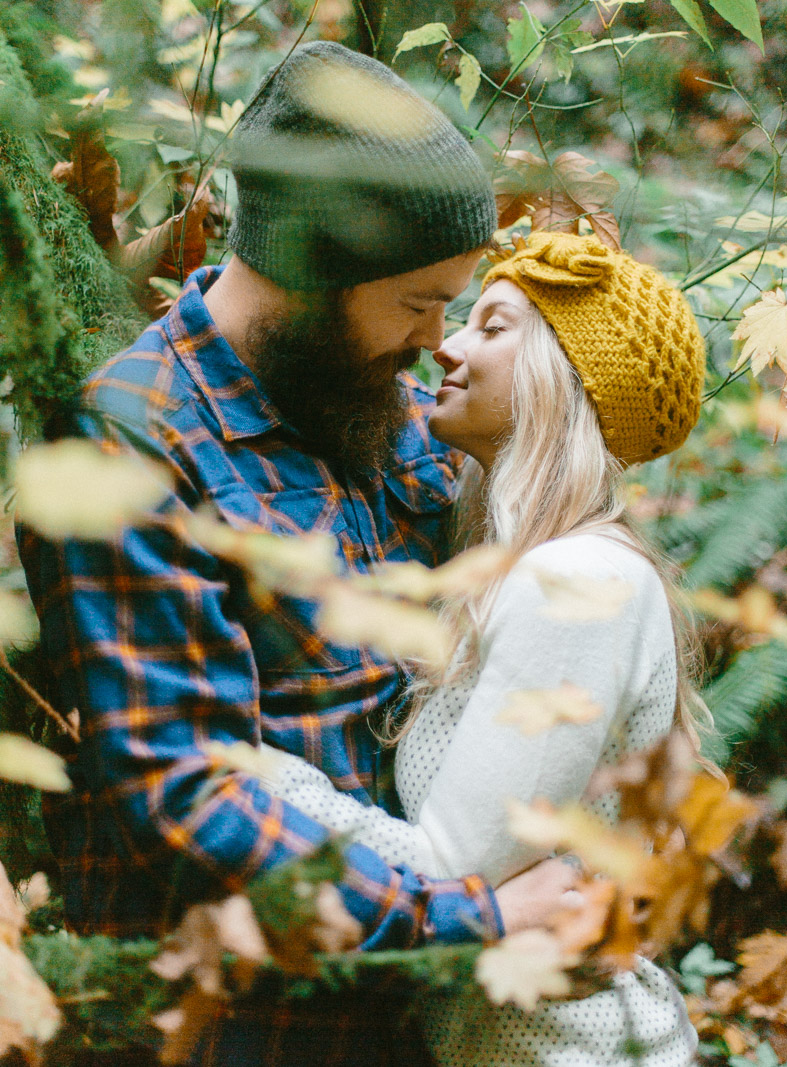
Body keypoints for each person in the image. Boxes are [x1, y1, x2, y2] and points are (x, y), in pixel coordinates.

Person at [17, 40, 564, 1067]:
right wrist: (474, 917)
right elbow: (182, 794)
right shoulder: (127, 440)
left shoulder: (381, 407)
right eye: (414, 302)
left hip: (415, 1014)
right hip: (241, 1028)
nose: (437, 341)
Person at [250, 230, 708, 1065]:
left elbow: (448, 871)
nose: (447, 346)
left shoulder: (578, 581)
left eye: (493, 327)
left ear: (562, 377)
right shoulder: (534, 567)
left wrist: (264, 772)